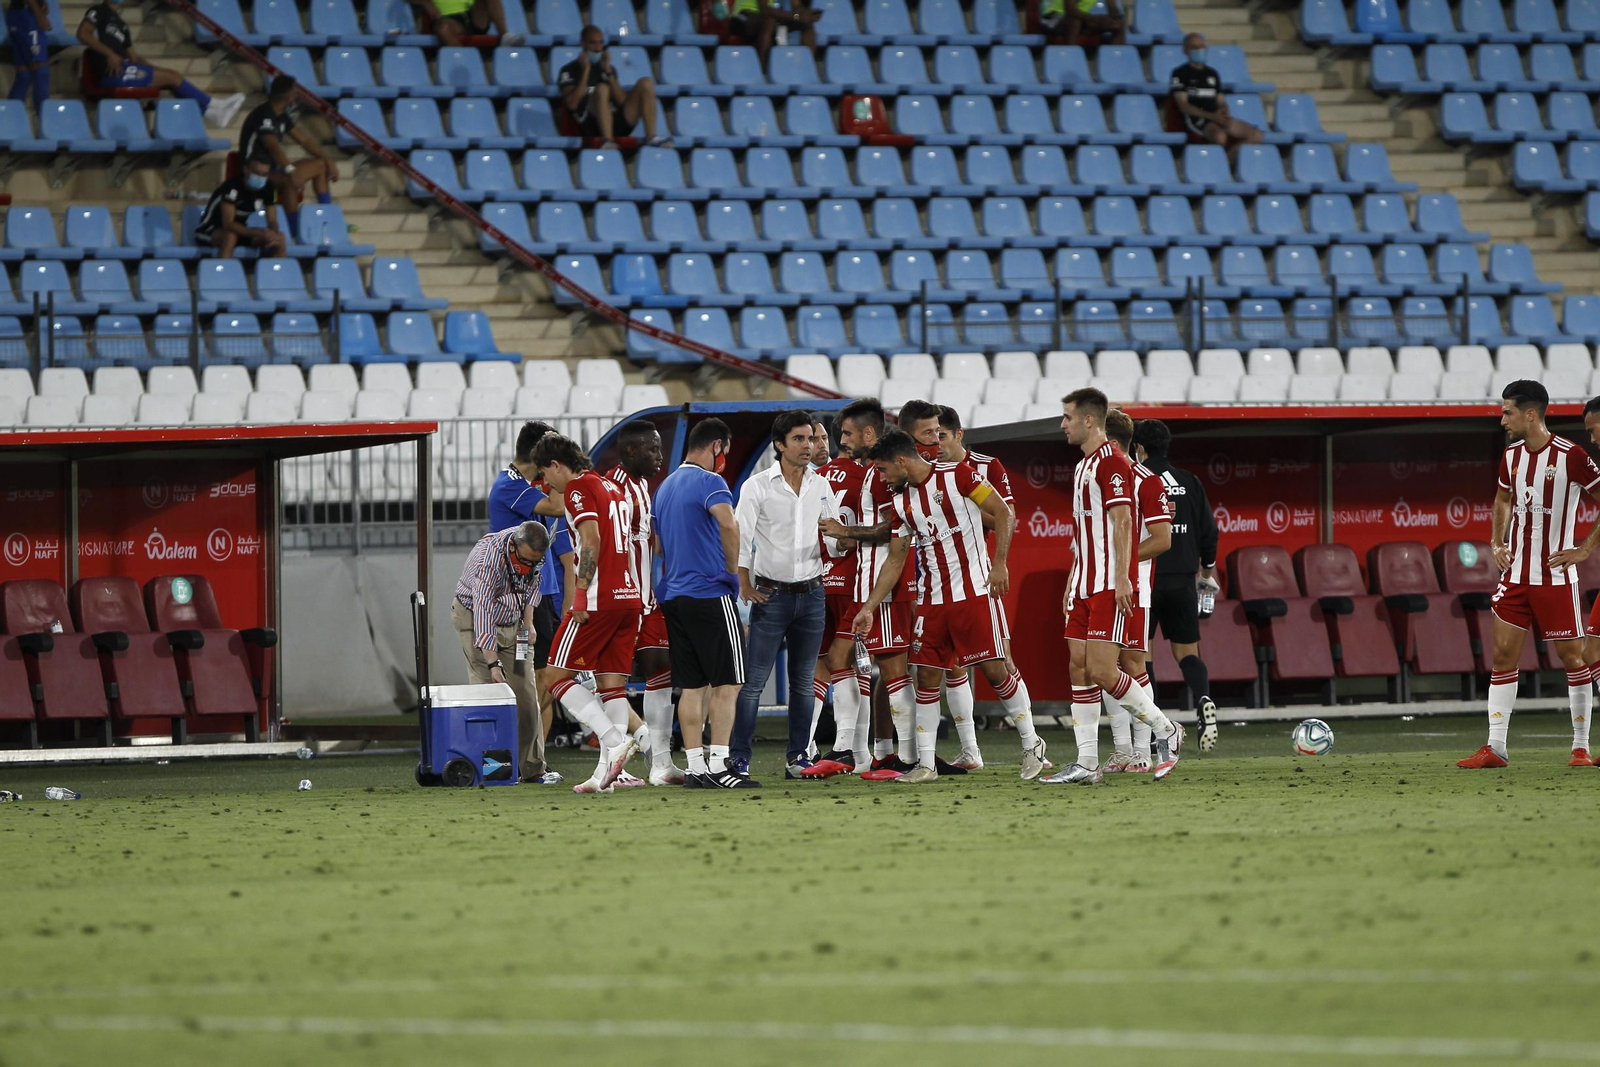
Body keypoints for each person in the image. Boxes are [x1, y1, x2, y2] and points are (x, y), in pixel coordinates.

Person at [851, 430, 1049, 783]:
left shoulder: (958, 474)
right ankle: (926, 764)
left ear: (900, 461)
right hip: (931, 603)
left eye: (882, 470)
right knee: (926, 676)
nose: (880, 477)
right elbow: (895, 561)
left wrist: (1000, 563)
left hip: (972, 593)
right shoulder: (900, 503)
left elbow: (1003, 513)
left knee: (994, 671)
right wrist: (869, 607)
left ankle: (1032, 743)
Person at [1459, 380, 1600, 769]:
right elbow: (1502, 498)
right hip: (1516, 575)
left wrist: (1585, 548)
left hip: (1555, 578)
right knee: (1503, 655)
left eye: (1508, 412)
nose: (1502, 419)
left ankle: (1580, 747)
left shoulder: (1571, 455)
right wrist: (1496, 541)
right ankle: (1496, 748)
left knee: (1573, 659)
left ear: (1531, 414)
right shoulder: (1512, 456)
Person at [1051, 387, 1184, 784]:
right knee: (1078, 666)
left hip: (1109, 583)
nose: (1063, 425)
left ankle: (1166, 731)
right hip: (1084, 585)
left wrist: (1124, 576)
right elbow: (1085, 534)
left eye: (1068, 418)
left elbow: (1124, 521)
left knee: (1106, 670)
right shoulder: (1082, 466)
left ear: (1090, 420)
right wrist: (1073, 580)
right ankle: (1088, 762)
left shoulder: (1112, 463)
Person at [530, 433, 651, 794]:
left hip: (598, 598)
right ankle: (606, 775)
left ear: (555, 465)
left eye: (544, 474)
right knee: (611, 686)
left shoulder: (578, 489)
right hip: (628, 595)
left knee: (555, 676)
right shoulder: (612, 487)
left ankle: (613, 742)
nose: (544, 483)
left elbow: (592, 541)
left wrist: (580, 594)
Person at [815, 399, 921, 782]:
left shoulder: (886, 473)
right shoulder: (869, 471)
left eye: (846, 433)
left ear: (868, 433)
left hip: (886, 587)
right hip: (866, 582)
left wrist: (846, 532)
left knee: (893, 670)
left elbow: (894, 530)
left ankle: (905, 758)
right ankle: (850, 750)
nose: (842, 441)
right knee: (838, 658)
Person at [653, 418, 756, 788]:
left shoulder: (664, 487)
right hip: (709, 594)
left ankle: (695, 767)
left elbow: (659, 545)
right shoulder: (711, 482)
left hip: (675, 596)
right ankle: (720, 766)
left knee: (693, 686)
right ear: (716, 446)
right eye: (724, 452)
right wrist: (732, 570)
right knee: (729, 683)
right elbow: (728, 524)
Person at [733, 411, 836, 778]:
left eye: (811, 439)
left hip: (812, 594)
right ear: (779, 445)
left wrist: (841, 536)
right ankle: (739, 758)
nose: (808, 446)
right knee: (754, 683)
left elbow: (835, 545)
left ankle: (799, 757)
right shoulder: (757, 486)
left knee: (804, 682)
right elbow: (740, 538)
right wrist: (744, 585)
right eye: (799, 439)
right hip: (771, 595)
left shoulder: (822, 486)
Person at [487, 420, 575, 784]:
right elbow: (558, 507)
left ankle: (534, 760)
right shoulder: (510, 485)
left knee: (541, 678)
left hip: (541, 598)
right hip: (516, 601)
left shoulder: (527, 486)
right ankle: (517, 759)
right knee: (525, 678)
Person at [602, 419, 686, 786]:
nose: (660, 456)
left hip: (646, 600)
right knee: (612, 682)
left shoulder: (641, 485)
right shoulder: (611, 488)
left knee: (661, 669)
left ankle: (661, 763)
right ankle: (609, 764)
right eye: (652, 449)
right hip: (620, 600)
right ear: (632, 450)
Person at [1132, 418, 1221, 751]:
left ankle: (1159, 731)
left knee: (1143, 658)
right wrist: (1207, 572)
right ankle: (1204, 698)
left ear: (1138, 447)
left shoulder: (1137, 479)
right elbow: (1210, 532)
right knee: (1187, 653)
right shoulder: (1190, 481)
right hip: (1184, 578)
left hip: (1147, 577)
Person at [1095, 409, 1172, 774]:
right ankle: (1123, 749)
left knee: (1133, 664)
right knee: (1104, 666)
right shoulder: (1096, 477)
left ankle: (1144, 749)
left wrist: (1117, 563)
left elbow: (1161, 540)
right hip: (1097, 586)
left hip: (1133, 587)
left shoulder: (1147, 481)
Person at [450, 521, 553, 783]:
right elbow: (482, 614)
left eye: (536, 561)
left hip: (514, 621)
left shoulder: (535, 554)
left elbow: (532, 586)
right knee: (489, 697)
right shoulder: (489, 562)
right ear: (514, 548)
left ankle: (533, 770)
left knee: (527, 695)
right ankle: (492, 772)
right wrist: (493, 664)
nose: (530, 566)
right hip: (475, 620)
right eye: (526, 561)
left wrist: (528, 622)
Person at [802, 411, 873, 779]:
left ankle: (809, 747)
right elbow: (860, 533)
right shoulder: (868, 475)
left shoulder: (812, 480)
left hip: (817, 581)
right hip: (853, 579)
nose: (815, 446)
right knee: (853, 663)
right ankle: (852, 749)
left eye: (819, 439)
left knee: (825, 665)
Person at [78, 0, 242, 126]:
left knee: (172, 79)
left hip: (126, 69)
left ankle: (210, 113)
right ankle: (213, 105)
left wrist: (154, 69)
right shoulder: (97, 11)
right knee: (173, 77)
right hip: (110, 73)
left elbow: (134, 57)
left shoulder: (122, 25)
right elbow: (83, 33)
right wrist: (109, 53)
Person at [238, 76, 338, 238]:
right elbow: (272, 147)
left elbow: (304, 140)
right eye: (294, 92)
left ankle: (328, 219)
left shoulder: (281, 115)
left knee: (320, 165)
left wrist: (328, 159)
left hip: (274, 170)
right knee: (290, 180)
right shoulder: (264, 115)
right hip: (253, 172)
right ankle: (293, 233)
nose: (297, 96)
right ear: (287, 96)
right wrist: (291, 170)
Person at [557, 25, 669, 149]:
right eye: (593, 43)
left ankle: (651, 137)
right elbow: (572, 104)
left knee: (646, 83)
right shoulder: (568, 70)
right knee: (602, 89)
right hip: (591, 123)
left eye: (600, 43)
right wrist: (586, 72)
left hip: (615, 120)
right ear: (582, 44)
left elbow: (622, 102)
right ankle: (607, 140)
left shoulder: (606, 68)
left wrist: (609, 73)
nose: (597, 48)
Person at [1169, 33, 1261, 159]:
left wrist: (1224, 111)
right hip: (1198, 119)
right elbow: (1184, 105)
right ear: (1186, 50)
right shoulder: (1179, 73)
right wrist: (1211, 116)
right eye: (1194, 47)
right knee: (1220, 137)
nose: (1199, 50)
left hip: (1217, 116)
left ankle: (1229, 158)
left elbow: (1220, 99)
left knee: (1256, 136)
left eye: (1201, 46)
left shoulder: (1212, 73)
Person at [192, 158, 287, 259]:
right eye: (257, 173)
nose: (260, 177)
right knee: (230, 237)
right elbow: (228, 224)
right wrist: (259, 233)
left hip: (241, 232)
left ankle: (274, 273)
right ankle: (223, 272)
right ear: (246, 170)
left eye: (264, 174)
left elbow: (272, 220)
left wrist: (272, 233)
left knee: (279, 239)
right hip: (211, 231)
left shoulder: (269, 188)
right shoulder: (231, 187)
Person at [728, 0, 821, 65]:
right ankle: (762, 72)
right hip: (744, 16)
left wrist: (806, 14)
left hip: (771, 16)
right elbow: (765, 9)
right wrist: (796, 16)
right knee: (769, 21)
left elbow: (797, 6)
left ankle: (807, 67)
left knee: (807, 23)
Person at [412, 0, 523, 45]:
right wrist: (427, 4)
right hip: (450, 19)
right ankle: (465, 58)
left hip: (472, 14)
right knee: (443, 28)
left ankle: (505, 35)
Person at [6, 0, 51, 106]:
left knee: (24, 74)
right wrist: (39, 14)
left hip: (17, 15)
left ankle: (9, 116)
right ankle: (45, 118)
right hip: (26, 17)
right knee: (40, 70)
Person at [1039, 0, 1125, 45]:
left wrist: (1115, 18)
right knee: (1075, 22)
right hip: (1053, 16)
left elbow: (1112, 8)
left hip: (1078, 18)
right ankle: (1071, 60)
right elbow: (1070, 9)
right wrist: (1096, 19)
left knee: (1118, 24)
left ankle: (1116, 64)